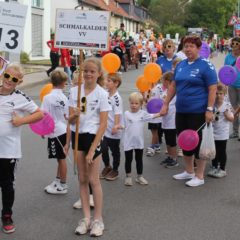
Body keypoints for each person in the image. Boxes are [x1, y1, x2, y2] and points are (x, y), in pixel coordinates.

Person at [161, 35, 218, 187]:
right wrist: (165, 104)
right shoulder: (181, 65)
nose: (188, 49)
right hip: (181, 110)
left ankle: (199, 176)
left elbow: (212, 88)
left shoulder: (206, 65)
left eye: (191, 46)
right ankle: (188, 171)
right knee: (184, 140)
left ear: (199, 48)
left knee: (197, 142)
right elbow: (173, 86)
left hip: (198, 111)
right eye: (186, 46)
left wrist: (210, 109)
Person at [68, 58, 111, 237]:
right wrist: (74, 115)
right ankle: (86, 218)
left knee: (94, 180)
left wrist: (93, 148)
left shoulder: (102, 94)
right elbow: (69, 119)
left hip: (94, 137)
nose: (88, 74)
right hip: (79, 136)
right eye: (86, 70)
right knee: (82, 179)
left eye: (92, 71)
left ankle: (97, 220)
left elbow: (103, 124)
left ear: (99, 73)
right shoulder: (74, 91)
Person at [0, 63, 43, 233]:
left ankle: (7, 215)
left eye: (14, 79)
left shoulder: (20, 96)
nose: (9, 81)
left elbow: (39, 114)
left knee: (7, 185)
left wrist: (21, 121)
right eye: (8, 76)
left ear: (19, 81)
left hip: (8, 150)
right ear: (3, 74)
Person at [122, 92, 161, 186]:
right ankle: (128, 177)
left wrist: (162, 112)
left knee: (139, 159)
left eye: (136, 103)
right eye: (132, 103)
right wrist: (118, 127)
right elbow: (122, 124)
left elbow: (153, 116)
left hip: (139, 142)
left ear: (141, 104)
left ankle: (139, 177)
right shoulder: (126, 114)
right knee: (128, 159)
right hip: (128, 141)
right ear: (129, 103)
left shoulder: (143, 114)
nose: (134, 105)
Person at [41, 70, 69, 194]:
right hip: (63, 129)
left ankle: (63, 185)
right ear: (64, 83)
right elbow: (67, 115)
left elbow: (43, 115)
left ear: (51, 82)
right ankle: (58, 181)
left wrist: (42, 130)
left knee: (61, 158)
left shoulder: (47, 97)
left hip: (55, 131)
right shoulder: (64, 97)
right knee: (60, 158)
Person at [208, 84, 234, 178]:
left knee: (221, 151)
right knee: (213, 151)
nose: (218, 95)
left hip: (222, 133)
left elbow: (232, 119)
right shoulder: (212, 105)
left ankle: (222, 169)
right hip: (213, 132)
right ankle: (214, 166)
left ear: (224, 94)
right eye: (217, 93)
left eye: (221, 93)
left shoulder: (227, 105)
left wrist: (227, 115)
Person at [101, 73, 123, 180]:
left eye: (109, 81)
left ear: (116, 83)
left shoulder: (117, 98)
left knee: (115, 151)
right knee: (103, 148)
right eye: (106, 80)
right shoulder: (105, 94)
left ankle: (115, 170)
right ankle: (107, 166)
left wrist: (116, 126)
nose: (106, 82)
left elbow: (117, 113)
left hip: (114, 129)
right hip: (104, 129)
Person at [159, 71, 178, 168]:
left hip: (172, 121)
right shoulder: (164, 92)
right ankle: (170, 156)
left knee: (172, 141)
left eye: (163, 81)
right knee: (167, 139)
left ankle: (174, 158)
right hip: (165, 121)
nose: (162, 83)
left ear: (168, 81)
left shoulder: (174, 93)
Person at [224, 37, 240, 140]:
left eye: (237, 43)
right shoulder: (228, 57)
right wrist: (225, 84)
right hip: (232, 86)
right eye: (233, 43)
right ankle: (235, 131)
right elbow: (225, 71)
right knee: (234, 109)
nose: (234, 45)